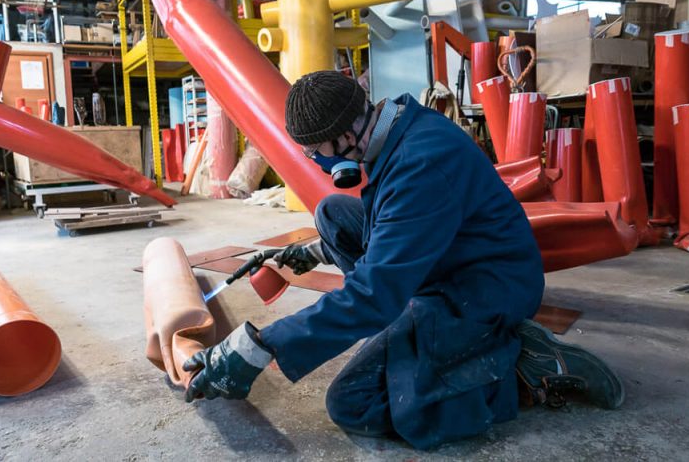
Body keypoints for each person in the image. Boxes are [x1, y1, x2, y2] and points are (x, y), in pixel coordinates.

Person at [182, 71, 624, 450]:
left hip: (486, 286)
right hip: (456, 252)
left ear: (345, 137)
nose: (315, 161)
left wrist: (256, 348)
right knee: (333, 214)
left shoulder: (420, 166)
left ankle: (528, 367)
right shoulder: (395, 128)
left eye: (315, 151)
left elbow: (373, 295)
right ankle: (412, 330)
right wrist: (314, 250)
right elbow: (391, 224)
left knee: (356, 403)